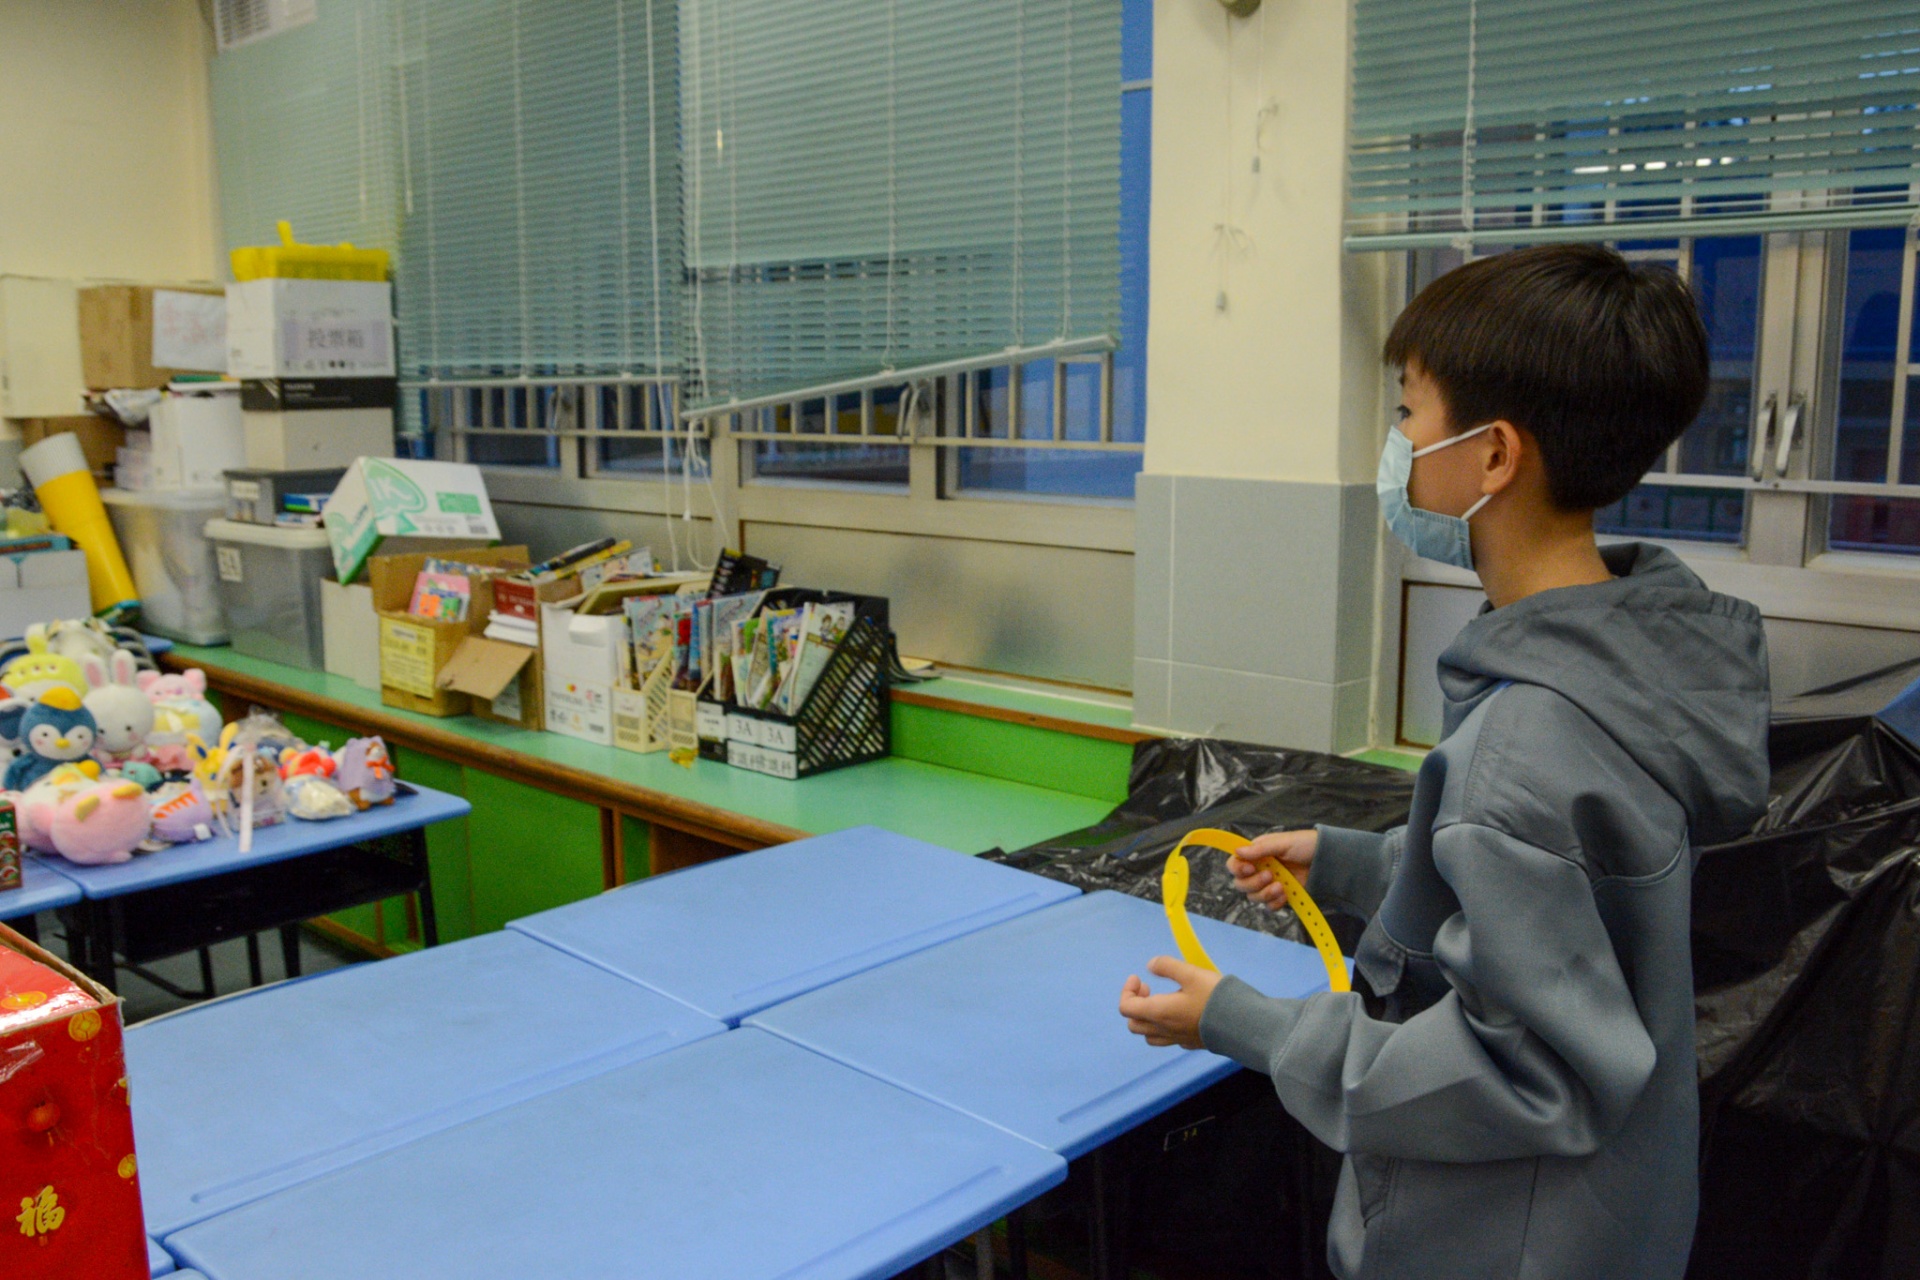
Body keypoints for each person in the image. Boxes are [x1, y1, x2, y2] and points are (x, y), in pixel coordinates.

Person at [1118, 243, 1772, 1280]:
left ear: (1494, 455)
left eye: (1408, 412)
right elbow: (1566, 900)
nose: (1400, 444)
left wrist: (1244, 1022)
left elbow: (1521, 1070)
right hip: (1617, 1216)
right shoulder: (1630, 667)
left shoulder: (1522, 740)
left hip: (1506, 1240)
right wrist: (1355, 859)